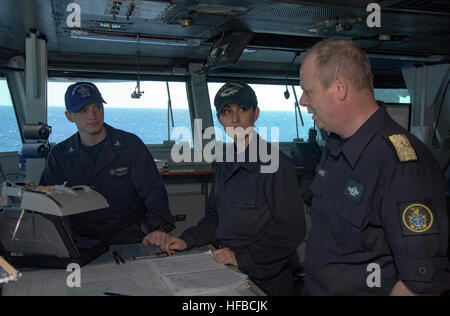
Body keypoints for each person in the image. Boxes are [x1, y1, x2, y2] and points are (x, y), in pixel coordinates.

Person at [299, 39, 450, 296]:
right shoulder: (335, 147)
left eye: (308, 91)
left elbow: (419, 284)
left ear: (339, 88)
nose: (303, 101)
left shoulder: (402, 166)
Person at [162, 81, 306, 296]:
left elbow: (291, 231)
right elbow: (214, 218)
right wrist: (186, 240)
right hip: (227, 267)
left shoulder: (275, 164)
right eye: (227, 112)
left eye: (243, 109)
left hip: (265, 278)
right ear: (220, 119)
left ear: (255, 114)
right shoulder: (224, 163)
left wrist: (241, 258)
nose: (235, 119)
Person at [40, 82, 175, 246]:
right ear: (69, 116)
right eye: (84, 110)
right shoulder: (59, 155)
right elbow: (47, 202)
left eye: (97, 107)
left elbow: (153, 191)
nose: (93, 115)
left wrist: (159, 228)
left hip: (126, 237)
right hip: (79, 240)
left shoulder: (130, 145)